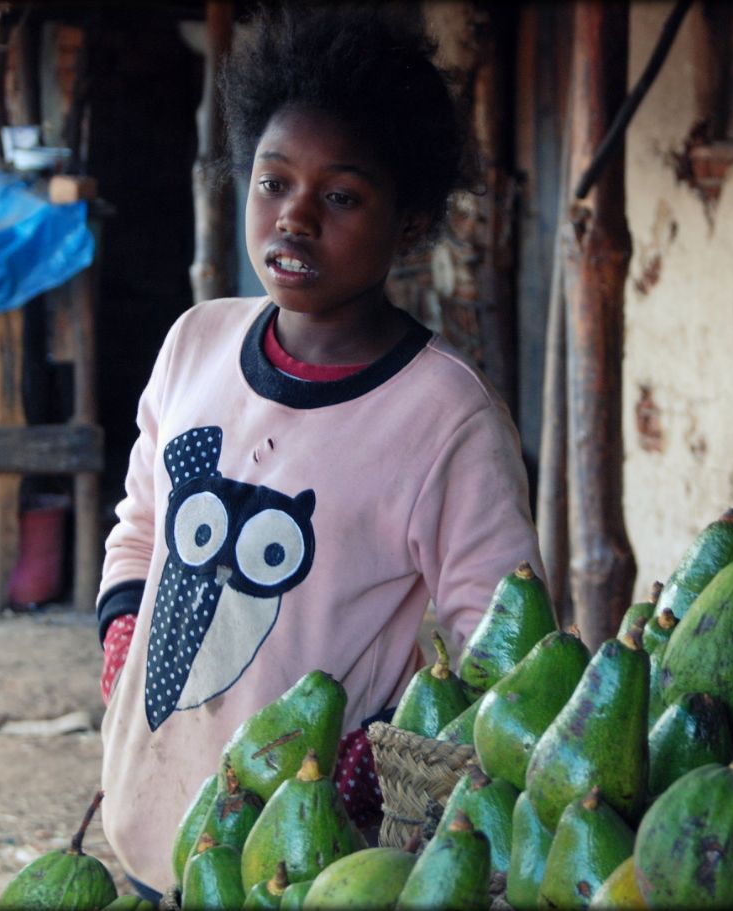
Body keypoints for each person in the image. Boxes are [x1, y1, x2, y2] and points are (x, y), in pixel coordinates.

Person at [95, 4, 543, 898]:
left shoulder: (445, 417)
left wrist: (374, 766)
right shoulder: (195, 343)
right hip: (147, 814)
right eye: (273, 182)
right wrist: (120, 643)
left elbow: (501, 647)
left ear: (410, 223)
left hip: (309, 851)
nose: (294, 217)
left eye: (341, 196)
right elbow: (142, 522)